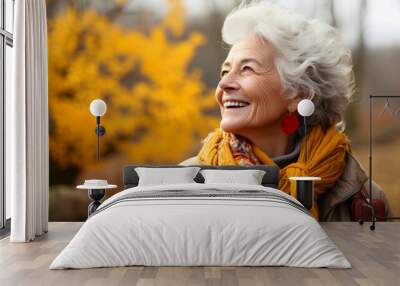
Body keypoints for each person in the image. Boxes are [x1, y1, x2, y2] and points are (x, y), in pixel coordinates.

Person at [180, 1, 391, 221]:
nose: (224, 84)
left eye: (247, 69)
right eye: (225, 71)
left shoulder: (363, 198)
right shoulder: (184, 185)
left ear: (299, 94)